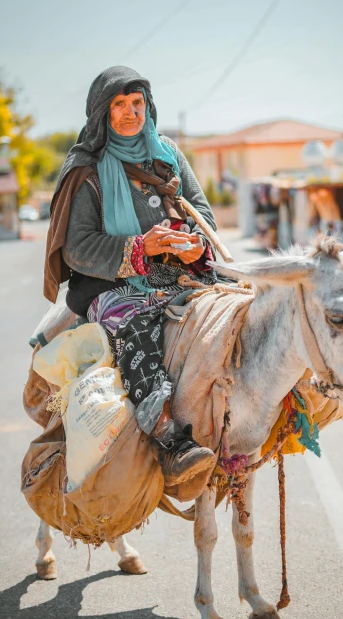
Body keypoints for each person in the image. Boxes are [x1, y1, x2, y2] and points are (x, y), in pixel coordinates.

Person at [44, 66, 217, 487]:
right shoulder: (85, 169)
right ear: (102, 112)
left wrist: (196, 243)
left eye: (137, 103)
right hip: (114, 286)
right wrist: (141, 247)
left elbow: (203, 214)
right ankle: (168, 438)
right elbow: (77, 247)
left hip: (179, 276)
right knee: (133, 321)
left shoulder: (168, 154)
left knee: (237, 311)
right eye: (119, 105)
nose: (130, 113)